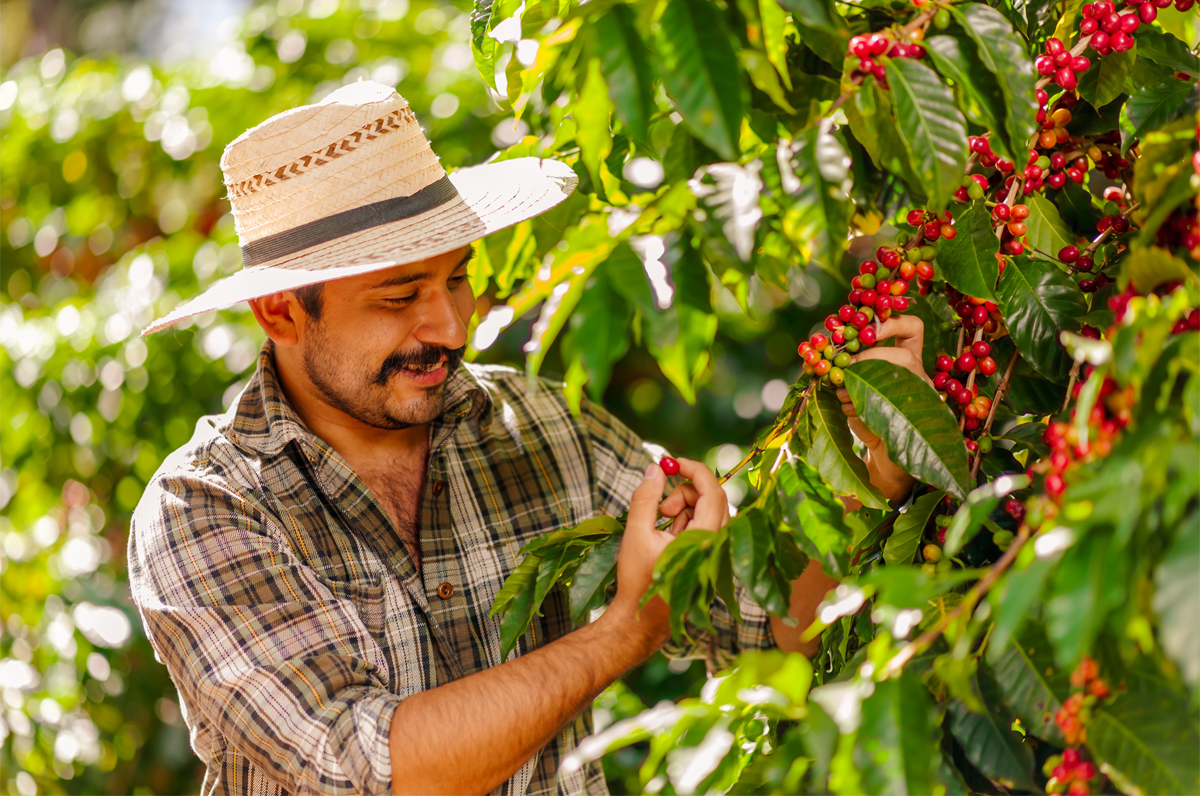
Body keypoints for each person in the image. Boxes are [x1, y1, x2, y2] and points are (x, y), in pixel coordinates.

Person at [127, 81, 922, 796]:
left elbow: (769, 623)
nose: (448, 325)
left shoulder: (544, 430)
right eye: (399, 297)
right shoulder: (207, 506)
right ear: (280, 313)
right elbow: (369, 769)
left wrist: (868, 478)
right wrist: (625, 632)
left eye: (458, 278)